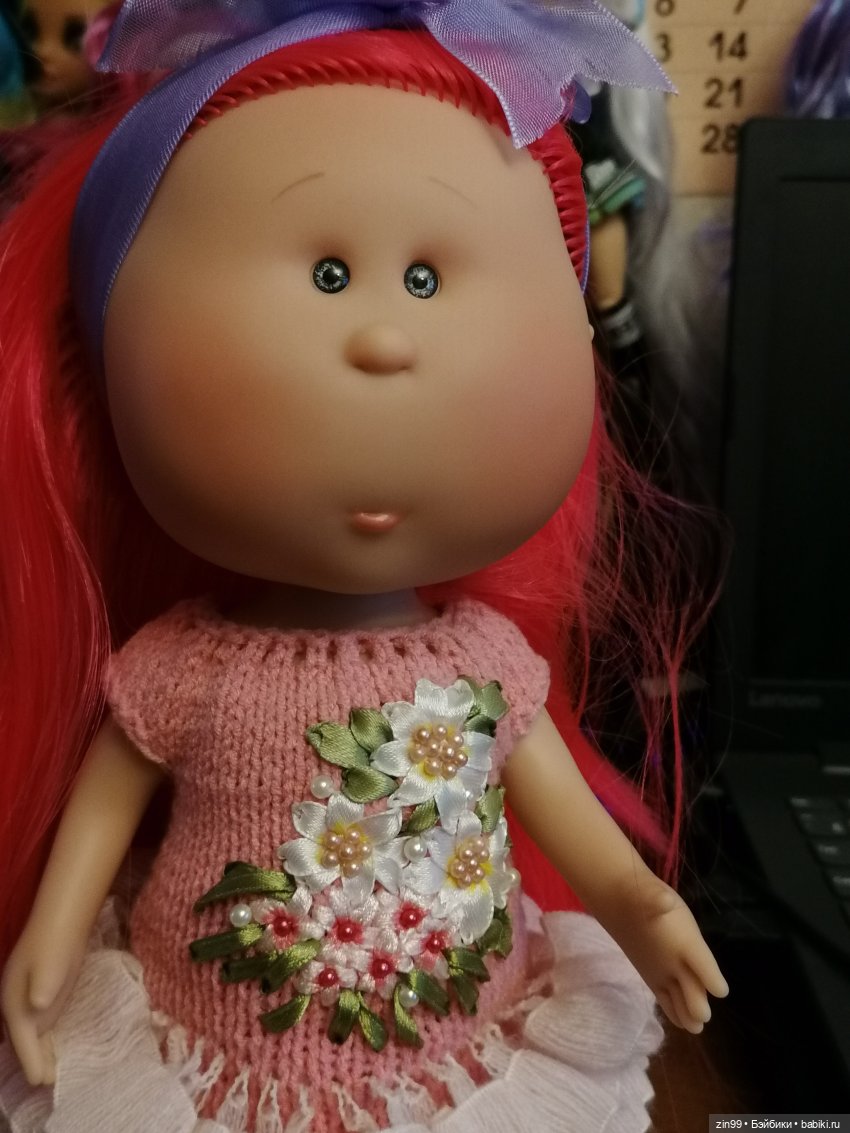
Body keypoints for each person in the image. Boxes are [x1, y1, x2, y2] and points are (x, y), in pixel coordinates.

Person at [0, 3, 728, 1130]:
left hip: (456, 1069)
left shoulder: (486, 666)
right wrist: (49, 943)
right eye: (330, 274)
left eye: (427, 280)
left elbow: (572, 823)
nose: (385, 340)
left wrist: (639, 903)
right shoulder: (181, 668)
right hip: (214, 1064)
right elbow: (100, 813)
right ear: (107, 353)